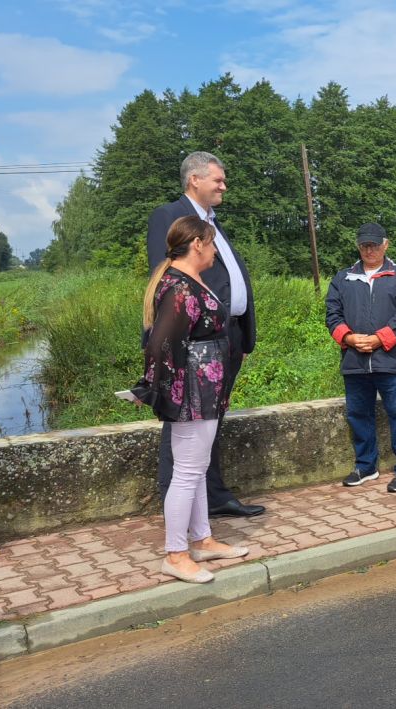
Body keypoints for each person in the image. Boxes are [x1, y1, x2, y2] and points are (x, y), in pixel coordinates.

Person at [146, 151, 263, 518]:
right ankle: (176, 506)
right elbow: (167, 280)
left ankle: (213, 497)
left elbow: (229, 279)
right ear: (194, 179)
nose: (224, 186)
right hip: (195, 342)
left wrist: (242, 337)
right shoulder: (169, 216)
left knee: (211, 423)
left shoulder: (212, 223)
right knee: (183, 424)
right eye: (218, 179)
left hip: (227, 339)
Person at [134, 216, 248, 583]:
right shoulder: (179, 287)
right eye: (211, 244)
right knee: (186, 473)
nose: (215, 251)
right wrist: (153, 387)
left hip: (205, 390)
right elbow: (160, 343)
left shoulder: (189, 281)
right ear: (197, 244)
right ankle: (175, 554)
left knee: (196, 468)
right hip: (192, 394)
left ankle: (201, 540)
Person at [325, 223, 396, 493]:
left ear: (385, 245)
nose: (369, 250)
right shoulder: (343, 278)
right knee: (358, 414)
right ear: (358, 246)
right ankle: (366, 465)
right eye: (364, 245)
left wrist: (381, 338)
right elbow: (332, 314)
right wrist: (348, 338)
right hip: (354, 361)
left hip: (390, 360)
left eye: (374, 245)